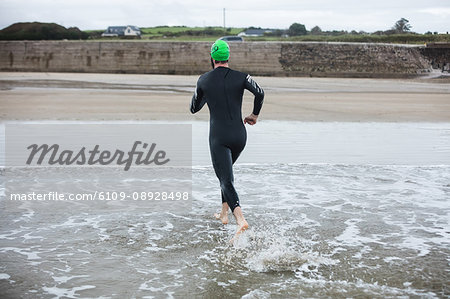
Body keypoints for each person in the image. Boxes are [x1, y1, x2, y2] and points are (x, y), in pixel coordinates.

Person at [190, 39, 265, 238]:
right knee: (226, 175)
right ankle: (224, 214)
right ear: (228, 57)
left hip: (219, 136)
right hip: (240, 135)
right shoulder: (242, 77)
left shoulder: (203, 80)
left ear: (212, 58)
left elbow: (193, 108)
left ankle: (240, 219)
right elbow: (260, 92)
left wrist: (206, 92)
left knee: (225, 179)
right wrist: (254, 115)